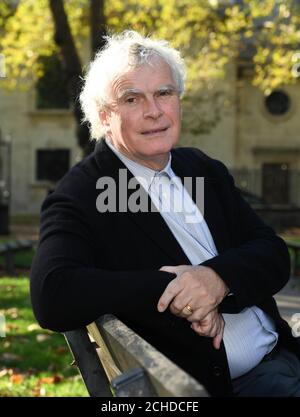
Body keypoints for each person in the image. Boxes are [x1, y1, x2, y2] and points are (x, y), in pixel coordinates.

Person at [30, 30, 300, 397]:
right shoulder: (82, 194)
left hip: (283, 356)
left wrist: (215, 281)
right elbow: (53, 294)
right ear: (105, 115)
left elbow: (272, 252)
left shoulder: (201, 169)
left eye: (163, 93)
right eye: (132, 98)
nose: (154, 110)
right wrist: (178, 291)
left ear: (178, 100)